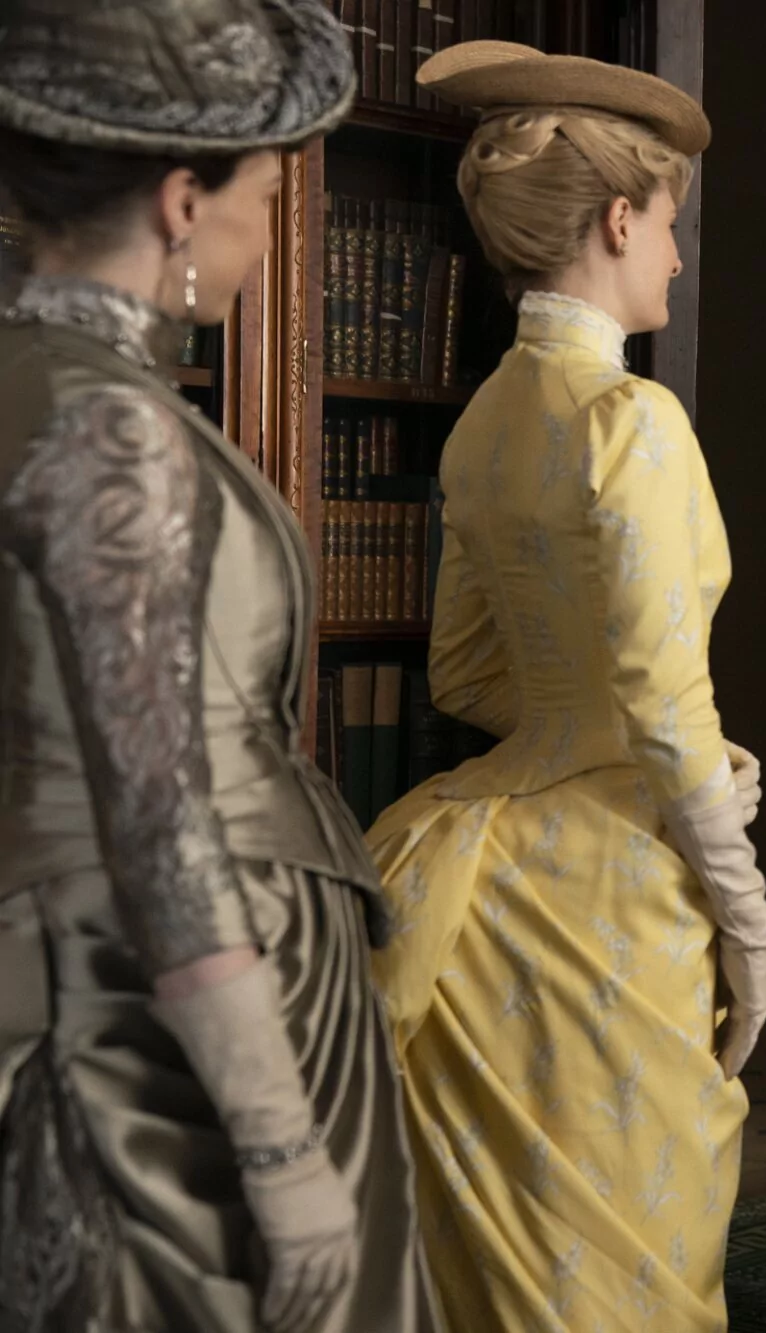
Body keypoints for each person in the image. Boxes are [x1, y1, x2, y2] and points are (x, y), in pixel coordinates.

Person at [0, 2, 434, 1329]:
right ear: (183, 203)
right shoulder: (112, 427)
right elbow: (158, 821)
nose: (265, 231)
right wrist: (284, 1154)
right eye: (265, 196)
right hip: (163, 1022)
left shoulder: (35, 379)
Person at [365, 41, 766, 1331]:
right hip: (608, 882)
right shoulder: (630, 418)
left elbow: (464, 670)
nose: (676, 259)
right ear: (618, 221)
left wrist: (571, 726)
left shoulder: (486, 417)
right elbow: (664, 706)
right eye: (669, 225)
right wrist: (750, 927)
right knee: (635, 1260)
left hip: (481, 869)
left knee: (508, 1265)